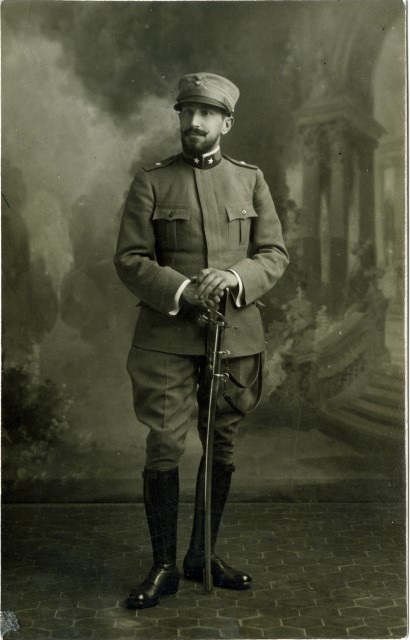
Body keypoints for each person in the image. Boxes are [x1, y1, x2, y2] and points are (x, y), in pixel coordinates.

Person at [114, 72, 289, 609]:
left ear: (226, 123)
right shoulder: (152, 181)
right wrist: (184, 288)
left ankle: (201, 555)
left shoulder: (250, 180)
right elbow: (130, 259)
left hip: (234, 337)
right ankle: (164, 566)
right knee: (165, 443)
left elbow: (273, 254)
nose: (194, 121)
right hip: (166, 336)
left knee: (222, 443)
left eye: (206, 113)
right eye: (187, 112)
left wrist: (233, 277)